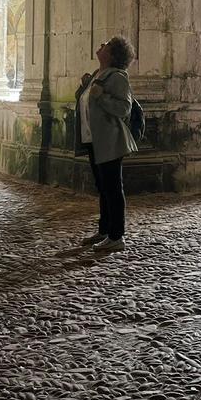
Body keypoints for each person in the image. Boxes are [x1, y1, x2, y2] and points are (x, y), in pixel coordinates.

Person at [74, 36, 138, 252]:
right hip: (94, 138)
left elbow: (124, 109)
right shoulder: (96, 75)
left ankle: (116, 236)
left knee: (112, 189)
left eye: (107, 45)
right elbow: (86, 102)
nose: (101, 45)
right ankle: (104, 230)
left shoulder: (118, 77)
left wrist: (101, 96)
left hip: (109, 140)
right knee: (103, 187)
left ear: (113, 55)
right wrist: (84, 87)